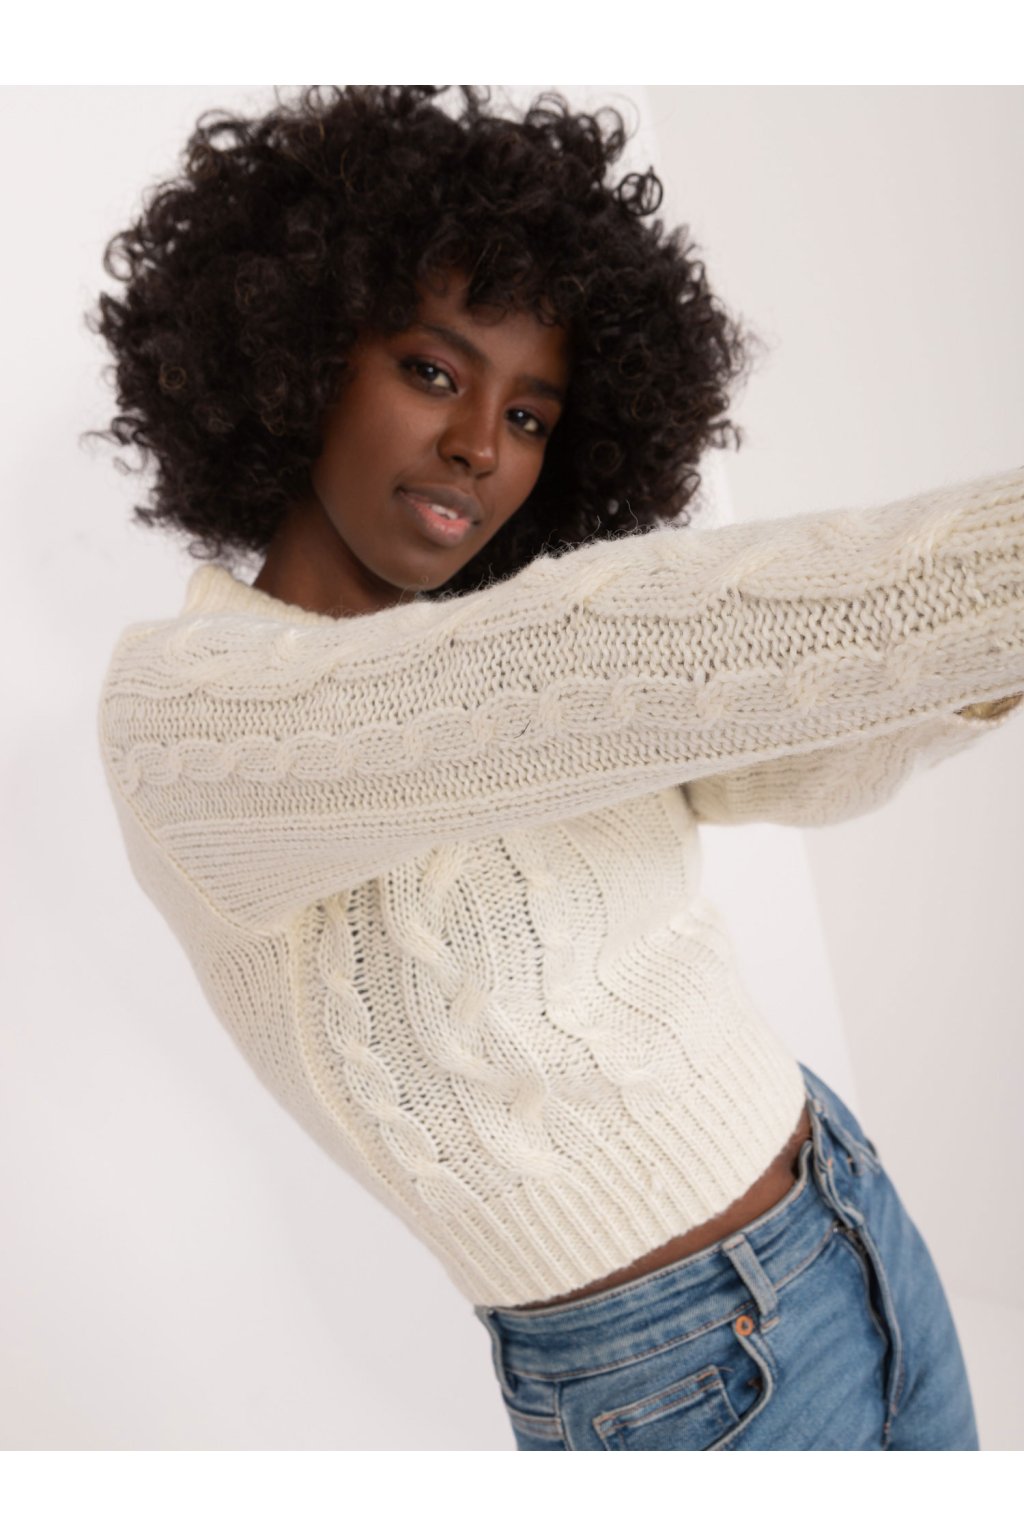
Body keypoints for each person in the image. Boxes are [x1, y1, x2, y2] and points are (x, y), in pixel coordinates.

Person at [87, 84, 1023, 1450]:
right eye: (433, 372)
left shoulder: (500, 663)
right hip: (686, 1373)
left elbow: (772, 760)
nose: (480, 446)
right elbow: (589, 663)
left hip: (850, 1209)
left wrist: (974, 673)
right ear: (296, 359)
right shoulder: (184, 717)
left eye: (532, 416)